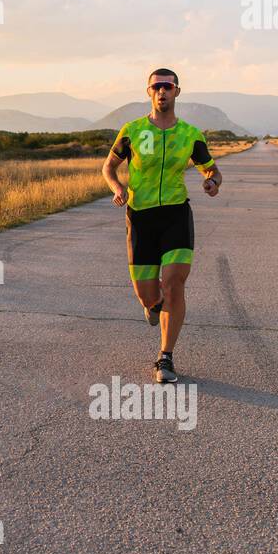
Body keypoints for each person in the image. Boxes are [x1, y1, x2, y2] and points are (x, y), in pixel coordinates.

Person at [100, 69, 222, 383]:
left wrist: (212, 182)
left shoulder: (191, 135)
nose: (162, 91)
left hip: (175, 215)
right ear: (149, 92)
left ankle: (165, 357)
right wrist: (117, 187)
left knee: (174, 283)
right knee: (147, 295)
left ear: (176, 92)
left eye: (167, 86)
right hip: (140, 217)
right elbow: (109, 167)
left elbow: (212, 170)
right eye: (157, 86)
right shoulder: (132, 130)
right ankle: (153, 306)